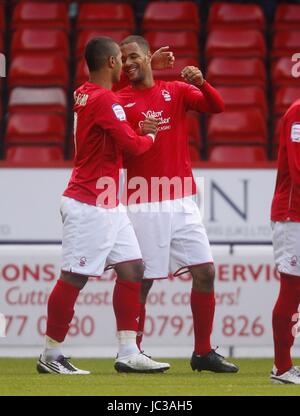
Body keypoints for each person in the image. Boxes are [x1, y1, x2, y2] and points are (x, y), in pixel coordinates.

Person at [36, 36, 170, 375]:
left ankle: (128, 351)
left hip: (108, 202)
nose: (126, 65)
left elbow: (113, 126)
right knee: (74, 277)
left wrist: (152, 65)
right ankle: (50, 355)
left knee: (132, 269)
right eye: (121, 60)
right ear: (111, 62)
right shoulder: (105, 101)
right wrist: (150, 134)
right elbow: (132, 146)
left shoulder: (85, 92)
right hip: (89, 202)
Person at [117, 35, 239, 373]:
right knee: (143, 280)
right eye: (123, 59)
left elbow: (216, 107)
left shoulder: (176, 90)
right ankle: (132, 351)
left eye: (133, 56)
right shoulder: (120, 99)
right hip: (145, 198)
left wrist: (203, 82)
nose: (127, 63)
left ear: (146, 56)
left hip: (182, 199)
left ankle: (202, 352)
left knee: (205, 272)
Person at [270, 98, 300, 384]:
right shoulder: (298, 113)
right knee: (292, 290)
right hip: (294, 215)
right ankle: (282, 367)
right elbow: (297, 165)